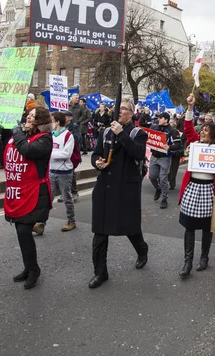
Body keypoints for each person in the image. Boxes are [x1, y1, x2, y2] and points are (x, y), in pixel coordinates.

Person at [89, 97, 149, 289]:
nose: (119, 112)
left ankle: (142, 249)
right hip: (105, 185)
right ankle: (100, 272)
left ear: (131, 113)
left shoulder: (137, 132)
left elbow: (138, 153)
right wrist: (97, 162)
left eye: (123, 109)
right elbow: (96, 153)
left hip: (126, 187)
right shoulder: (105, 131)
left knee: (130, 227)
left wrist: (121, 134)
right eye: (117, 108)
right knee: (100, 231)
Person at [178, 93, 215, 278]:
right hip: (193, 188)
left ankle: (204, 257)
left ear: (214, 134)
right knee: (189, 227)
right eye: (202, 129)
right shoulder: (194, 143)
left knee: (207, 227)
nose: (202, 131)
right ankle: (187, 262)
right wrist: (191, 108)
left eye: (206, 130)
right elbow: (187, 128)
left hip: (208, 189)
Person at [4, 107, 53, 288]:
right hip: (18, 191)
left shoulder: (45, 139)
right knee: (21, 232)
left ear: (40, 121)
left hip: (34, 193)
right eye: (29, 115)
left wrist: (17, 134)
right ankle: (29, 267)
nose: (28, 118)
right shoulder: (24, 135)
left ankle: (34, 270)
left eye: (33, 116)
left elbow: (27, 150)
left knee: (24, 231)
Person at [48, 112, 77, 232]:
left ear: (58, 122)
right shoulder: (50, 135)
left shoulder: (68, 135)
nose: (50, 123)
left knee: (67, 197)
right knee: (47, 198)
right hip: (51, 171)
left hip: (64, 172)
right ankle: (41, 223)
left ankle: (71, 221)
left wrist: (49, 153)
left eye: (52, 121)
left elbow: (66, 154)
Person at [149, 112, 182, 209]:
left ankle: (164, 199)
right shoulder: (154, 127)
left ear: (166, 120)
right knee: (152, 176)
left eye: (161, 118)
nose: (158, 119)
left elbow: (178, 145)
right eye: (158, 118)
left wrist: (169, 147)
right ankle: (158, 189)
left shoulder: (173, 131)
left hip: (165, 158)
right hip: (154, 156)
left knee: (163, 178)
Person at [63, 110, 81, 202]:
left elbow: (77, 138)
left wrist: (67, 135)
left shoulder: (74, 126)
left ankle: (74, 192)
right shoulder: (60, 127)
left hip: (72, 153)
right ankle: (65, 193)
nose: (64, 118)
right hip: (62, 152)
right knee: (62, 174)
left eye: (65, 116)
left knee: (71, 173)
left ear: (70, 117)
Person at [168, 119, 184, 190]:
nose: (170, 123)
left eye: (171, 122)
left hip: (175, 153)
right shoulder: (166, 131)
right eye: (169, 122)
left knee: (174, 168)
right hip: (168, 153)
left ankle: (172, 183)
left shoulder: (176, 132)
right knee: (168, 168)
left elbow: (179, 143)